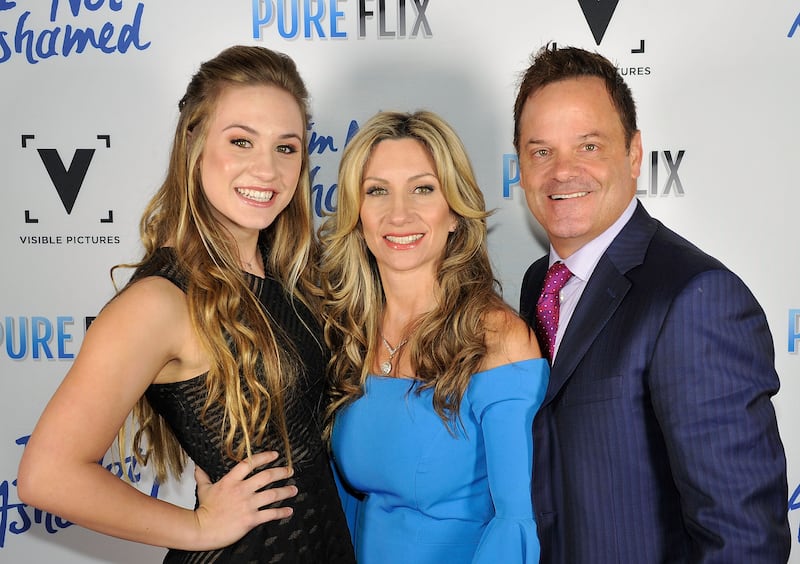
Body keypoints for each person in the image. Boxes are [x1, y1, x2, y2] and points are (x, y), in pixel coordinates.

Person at [17, 45, 355, 563]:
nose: (267, 169)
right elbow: (47, 475)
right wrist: (197, 527)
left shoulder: (288, 274)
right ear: (193, 142)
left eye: (286, 148)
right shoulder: (161, 301)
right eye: (241, 141)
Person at [513, 44, 790, 563]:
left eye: (589, 146)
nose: (562, 171)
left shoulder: (696, 298)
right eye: (541, 151)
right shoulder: (537, 285)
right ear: (521, 167)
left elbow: (742, 538)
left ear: (634, 153)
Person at [319, 110, 548, 563]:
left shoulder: (498, 341)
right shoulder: (348, 335)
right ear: (357, 216)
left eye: (423, 189)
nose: (399, 213)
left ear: (454, 213)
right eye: (377, 191)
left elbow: (517, 522)